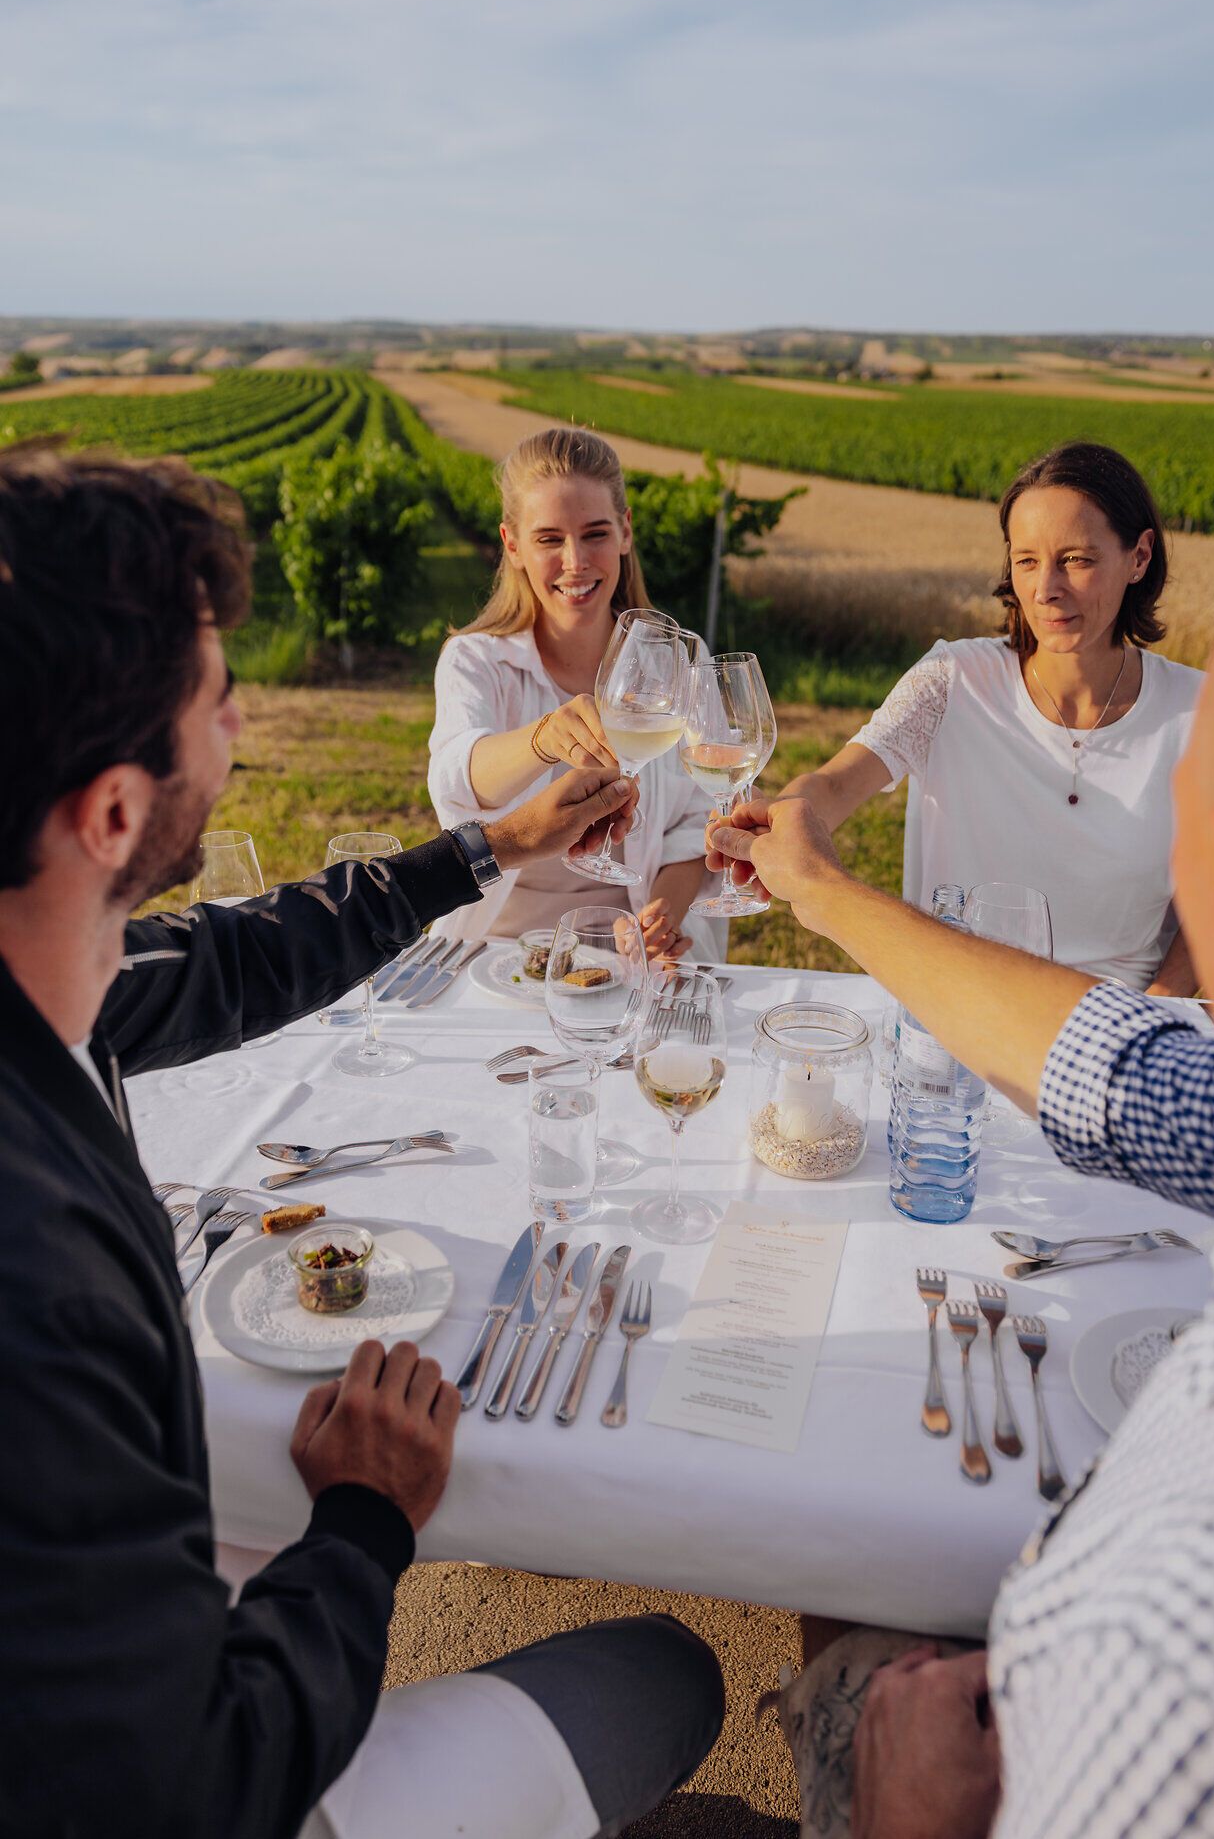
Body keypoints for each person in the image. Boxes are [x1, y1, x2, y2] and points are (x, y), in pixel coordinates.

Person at [0, 444, 724, 1839]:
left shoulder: (58, 982)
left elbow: (241, 954)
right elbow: (199, 1781)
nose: (242, 723)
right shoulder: (38, 1272)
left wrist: (482, 850)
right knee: (668, 1673)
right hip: (212, 1788)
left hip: (106, 1646)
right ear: (114, 812)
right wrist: (365, 1521)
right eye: (216, 700)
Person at [706, 574, 1214, 1837]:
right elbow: (1113, 1066)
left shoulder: (1200, 1664)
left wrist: (909, 1817)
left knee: (838, 1519)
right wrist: (821, 887)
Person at [734, 442, 1202, 992]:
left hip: (1120, 1020)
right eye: (1027, 560)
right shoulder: (952, 679)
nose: (1046, 590)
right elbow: (836, 784)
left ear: (1139, 557)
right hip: (955, 1010)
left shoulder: (1201, 712)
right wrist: (777, 818)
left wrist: (1155, 1010)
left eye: (1076, 560)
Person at [428, 426, 723, 965]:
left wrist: (662, 916)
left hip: (631, 962)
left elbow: (701, 818)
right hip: (494, 955)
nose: (575, 561)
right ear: (512, 545)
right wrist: (542, 740)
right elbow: (456, 778)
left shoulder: (681, 661)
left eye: (595, 534)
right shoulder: (475, 660)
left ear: (625, 532)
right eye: (548, 539)